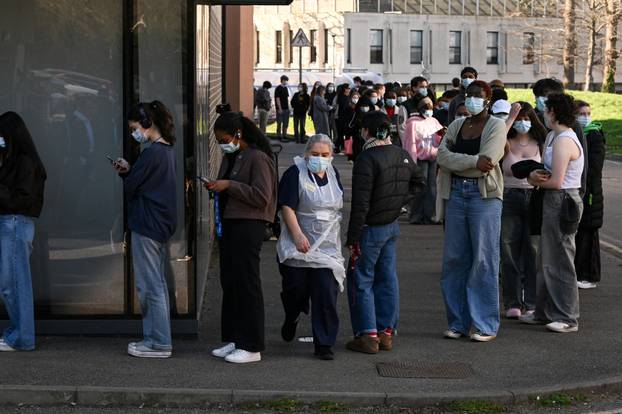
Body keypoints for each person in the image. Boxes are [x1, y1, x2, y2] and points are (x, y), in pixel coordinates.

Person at [346, 111, 425, 354]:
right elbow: (419, 182)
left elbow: (360, 203)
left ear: (366, 131)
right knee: (387, 278)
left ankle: (368, 335)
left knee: (362, 279)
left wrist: (352, 238)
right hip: (392, 224)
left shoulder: (366, 159)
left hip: (371, 227)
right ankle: (386, 332)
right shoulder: (401, 154)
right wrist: (400, 203)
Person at [437, 80, 506, 342]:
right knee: (454, 260)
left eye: (478, 96)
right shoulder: (457, 125)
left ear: (487, 100)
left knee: (483, 260)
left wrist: (463, 163)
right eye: (469, 95)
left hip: (484, 196)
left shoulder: (496, 126)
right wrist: (472, 161)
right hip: (455, 193)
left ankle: (485, 324)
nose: (472, 99)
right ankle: (458, 322)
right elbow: (442, 156)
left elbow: (487, 164)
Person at [207, 112, 277, 363]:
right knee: (231, 282)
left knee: (247, 284)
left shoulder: (257, 158)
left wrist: (229, 186)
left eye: (224, 138)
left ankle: (252, 344)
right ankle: (236, 338)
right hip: (231, 224)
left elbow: (262, 196)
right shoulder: (234, 155)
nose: (223, 144)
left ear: (238, 134)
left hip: (249, 225)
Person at [112, 101, 177, 358]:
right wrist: (131, 171)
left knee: (150, 285)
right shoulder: (166, 151)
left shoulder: (152, 153)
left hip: (147, 224)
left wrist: (127, 173)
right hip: (158, 224)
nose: (133, 133)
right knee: (156, 283)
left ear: (148, 124)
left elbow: (132, 186)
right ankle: (156, 338)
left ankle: (158, 341)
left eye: (135, 127)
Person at [520, 93, 585, 333]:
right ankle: (544, 311)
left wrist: (531, 179)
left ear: (554, 112)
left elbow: (557, 181)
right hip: (553, 200)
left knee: (560, 259)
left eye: (546, 110)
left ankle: (567, 316)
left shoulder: (564, 140)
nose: (543, 114)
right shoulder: (553, 136)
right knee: (546, 258)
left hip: (562, 200)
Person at [276, 134, 345, 360]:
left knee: (326, 292)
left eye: (325, 155)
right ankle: (293, 314)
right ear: (306, 154)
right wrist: (297, 235)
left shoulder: (333, 174)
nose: (319, 159)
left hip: (327, 247)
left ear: (331, 156)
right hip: (299, 244)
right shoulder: (294, 174)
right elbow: (287, 207)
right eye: (315, 154)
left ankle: (324, 343)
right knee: (296, 289)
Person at [0, 112, 46, 352]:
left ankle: (22, 337)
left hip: (15, 222)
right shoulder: (17, 159)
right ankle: (18, 334)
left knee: (14, 283)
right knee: (11, 283)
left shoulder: (25, 162)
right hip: (13, 223)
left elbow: (22, 199)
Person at [500, 102, 547, 319]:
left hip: (535, 198)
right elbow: (494, 140)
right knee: (509, 252)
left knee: (533, 252)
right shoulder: (506, 141)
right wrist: (510, 117)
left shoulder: (542, 142)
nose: (522, 123)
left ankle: (531, 302)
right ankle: (512, 301)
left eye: (526, 118)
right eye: (519, 119)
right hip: (509, 197)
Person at [574, 101, 605, 289]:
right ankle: (580, 273)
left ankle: (588, 276)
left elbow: (594, 167)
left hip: (591, 192)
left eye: (587, 113)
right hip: (584, 190)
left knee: (588, 233)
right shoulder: (578, 134)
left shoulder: (593, 134)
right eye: (581, 114)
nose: (585, 117)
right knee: (581, 234)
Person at [403, 97, 444, 225]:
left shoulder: (434, 121)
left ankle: (430, 215)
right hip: (419, 160)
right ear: (420, 109)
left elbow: (437, 140)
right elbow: (410, 144)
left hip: (433, 158)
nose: (428, 110)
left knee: (432, 188)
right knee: (420, 188)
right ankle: (416, 216)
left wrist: (441, 135)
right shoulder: (413, 123)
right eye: (426, 108)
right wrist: (412, 162)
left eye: (430, 108)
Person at [275, 75, 290, 142]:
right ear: (283, 80)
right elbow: (277, 98)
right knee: (279, 122)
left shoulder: (286, 88)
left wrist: (289, 107)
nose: (286, 82)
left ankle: (284, 135)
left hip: (286, 108)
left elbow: (287, 98)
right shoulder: (278, 88)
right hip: (281, 108)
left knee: (285, 123)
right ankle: (279, 135)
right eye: (286, 80)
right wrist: (279, 108)